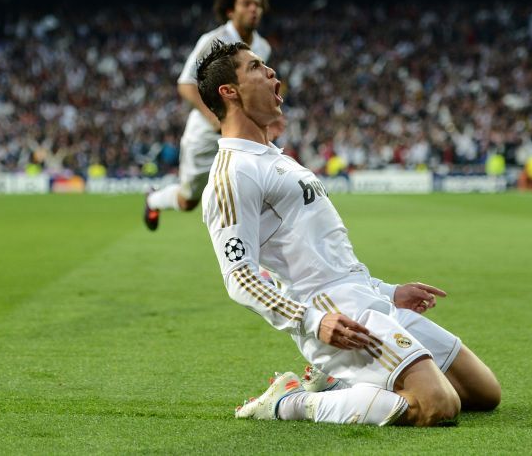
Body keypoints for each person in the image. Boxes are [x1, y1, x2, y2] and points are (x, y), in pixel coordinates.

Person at [199, 41, 500, 427]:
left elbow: (329, 257)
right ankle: (288, 402)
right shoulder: (232, 173)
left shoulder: (276, 159)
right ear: (229, 91)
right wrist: (310, 320)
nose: (272, 73)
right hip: (333, 312)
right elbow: (239, 277)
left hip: (366, 296)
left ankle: (344, 384)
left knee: (483, 394)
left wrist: (389, 292)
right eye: (256, 67)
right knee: (437, 405)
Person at [143, 0, 273, 230]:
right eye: (246, 3)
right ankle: (154, 199)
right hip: (204, 132)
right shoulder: (212, 42)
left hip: (241, 135)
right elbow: (186, 84)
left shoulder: (262, 47)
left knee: (256, 193)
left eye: (257, 4)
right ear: (229, 10)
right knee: (188, 199)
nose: (254, 9)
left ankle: (259, 263)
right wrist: (214, 118)